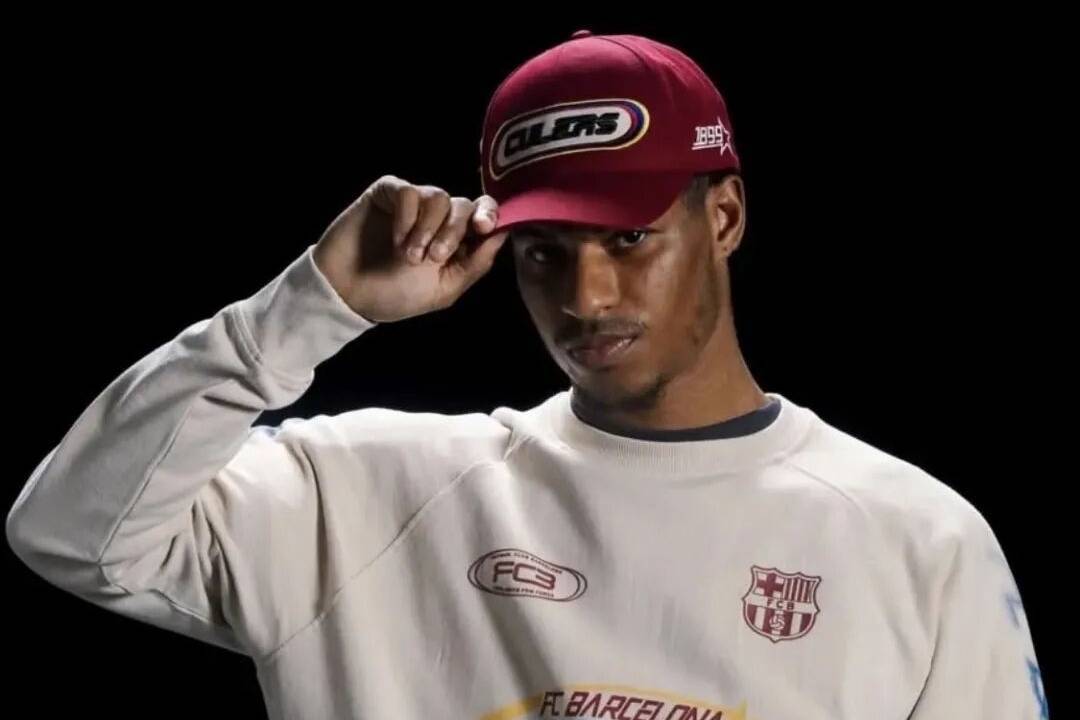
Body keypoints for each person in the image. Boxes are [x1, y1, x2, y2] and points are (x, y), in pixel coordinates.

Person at [6, 30, 1046, 720]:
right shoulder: (370, 492)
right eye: (545, 252)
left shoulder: (916, 539)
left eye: (630, 238)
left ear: (724, 217)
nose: (586, 296)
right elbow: (73, 534)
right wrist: (306, 308)